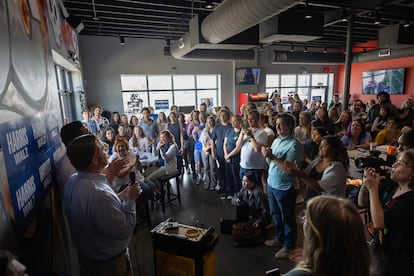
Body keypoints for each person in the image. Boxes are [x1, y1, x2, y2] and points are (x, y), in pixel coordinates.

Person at [64, 134, 141, 275]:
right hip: (110, 266)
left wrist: (121, 196)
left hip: (89, 260)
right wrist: (130, 199)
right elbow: (123, 230)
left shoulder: (72, 181)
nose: (106, 149)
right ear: (95, 160)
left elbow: (97, 211)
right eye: (101, 148)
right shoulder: (98, 194)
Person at [284, 196, 370, 276]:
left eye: (306, 218)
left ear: (315, 235)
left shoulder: (299, 274)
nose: (303, 221)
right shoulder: (361, 267)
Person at [363, 149, 414, 275]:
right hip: (381, 248)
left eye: (401, 163)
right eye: (396, 161)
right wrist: (367, 184)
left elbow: (380, 223)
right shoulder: (394, 187)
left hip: (398, 259)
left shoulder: (411, 199)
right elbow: (362, 203)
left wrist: (373, 189)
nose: (394, 165)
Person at [262, 113, 304, 259]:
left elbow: (289, 169)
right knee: (275, 214)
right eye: (277, 124)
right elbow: (271, 163)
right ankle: (280, 239)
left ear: (290, 126)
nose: (278, 127)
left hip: (285, 187)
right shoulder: (276, 141)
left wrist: (272, 156)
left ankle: (289, 245)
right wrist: (267, 155)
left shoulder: (295, 145)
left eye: (282, 124)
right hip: (272, 183)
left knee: (287, 217)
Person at [285, 135, 349, 202]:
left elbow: (319, 187)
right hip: (311, 200)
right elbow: (306, 176)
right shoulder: (317, 161)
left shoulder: (337, 168)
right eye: (320, 145)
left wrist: (300, 175)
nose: (320, 147)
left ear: (333, 149)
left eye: (324, 146)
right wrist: (297, 170)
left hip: (328, 205)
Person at [236, 110, 268, 184]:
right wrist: (241, 135)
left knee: (255, 191)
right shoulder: (245, 130)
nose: (249, 121)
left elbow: (257, 148)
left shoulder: (262, 133)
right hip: (243, 165)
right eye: (248, 119)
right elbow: (238, 146)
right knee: (244, 189)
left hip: (254, 168)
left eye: (252, 119)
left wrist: (251, 136)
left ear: (257, 120)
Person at [146, 130, 178, 195]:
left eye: (164, 137)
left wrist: (161, 149)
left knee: (150, 178)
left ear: (169, 138)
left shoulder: (173, 146)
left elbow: (165, 158)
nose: (162, 139)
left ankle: (161, 191)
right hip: (159, 164)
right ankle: (157, 191)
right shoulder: (161, 143)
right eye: (161, 137)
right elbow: (155, 154)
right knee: (146, 174)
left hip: (168, 167)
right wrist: (153, 145)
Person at [211, 108, 233, 193]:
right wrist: (213, 152)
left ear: (228, 116)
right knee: (220, 171)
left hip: (229, 152)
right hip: (219, 152)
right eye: (221, 116)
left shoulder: (231, 126)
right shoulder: (217, 127)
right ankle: (222, 186)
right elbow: (212, 140)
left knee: (229, 172)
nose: (223, 117)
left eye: (225, 115)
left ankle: (229, 188)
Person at [224, 115, 243, 199]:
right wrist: (225, 155)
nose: (233, 122)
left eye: (235, 121)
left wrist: (228, 155)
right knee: (228, 176)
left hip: (235, 158)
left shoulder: (241, 132)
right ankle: (229, 193)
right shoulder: (229, 131)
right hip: (227, 158)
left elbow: (237, 148)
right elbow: (225, 144)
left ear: (240, 122)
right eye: (232, 121)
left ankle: (237, 194)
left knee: (236, 177)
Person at [200, 115, 217, 191]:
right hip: (205, 151)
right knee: (206, 168)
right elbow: (202, 141)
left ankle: (213, 184)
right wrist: (205, 149)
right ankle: (207, 182)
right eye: (208, 122)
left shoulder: (216, 130)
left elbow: (215, 142)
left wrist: (208, 148)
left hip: (212, 150)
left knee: (212, 168)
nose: (210, 123)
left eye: (211, 122)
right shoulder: (204, 130)